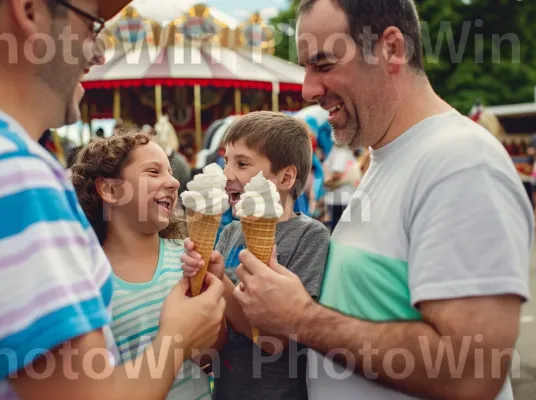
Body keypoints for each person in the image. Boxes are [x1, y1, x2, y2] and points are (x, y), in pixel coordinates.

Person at [231, 1, 533, 400]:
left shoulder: (460, 162)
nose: (308, 90)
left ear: (391, 49)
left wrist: (301, 318)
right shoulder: (389, 158)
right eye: (305, 67)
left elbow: (473, 373)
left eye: (323, 65)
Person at [0, 1, 225, 399]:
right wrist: (178, 336)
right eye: (93, 25)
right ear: (30, 11)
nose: (100, 51)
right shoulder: (8, 177)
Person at [182, 111, 330, 400]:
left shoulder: (310, 237)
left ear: (286, 177)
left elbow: (274, 341)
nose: (227, 174)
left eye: (242, 163)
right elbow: (211, 347)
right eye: (226, 161)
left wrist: (219, 279)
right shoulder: (228, 234)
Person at [71, 129, 222, 400]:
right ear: (109, 189)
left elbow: (211, 359)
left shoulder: (186, 259)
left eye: (171, 171)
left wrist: (213, 294)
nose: (174, 183)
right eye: (153, 172)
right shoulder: (88, 280)